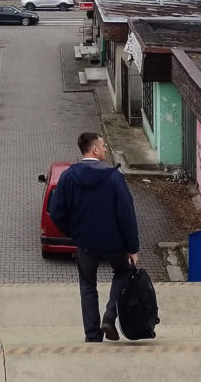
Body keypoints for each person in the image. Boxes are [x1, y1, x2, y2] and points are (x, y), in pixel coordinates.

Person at [49, 132, 140, 343]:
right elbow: (126, 214)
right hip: (115, 244)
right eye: (103, 146)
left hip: (86, 244)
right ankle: (109, 316)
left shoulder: (68, 177)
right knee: (123, 273)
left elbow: (57, 213)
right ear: (95, 150)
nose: (106, 149)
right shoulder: (114, 177)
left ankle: (92, 335)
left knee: (88, 285)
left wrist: (74, 233)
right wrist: (133, 248)